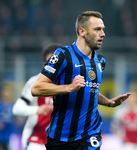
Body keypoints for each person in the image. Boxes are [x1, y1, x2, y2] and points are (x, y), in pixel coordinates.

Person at [31, 11, 131, 150]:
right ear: (82, 31)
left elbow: (90, 89)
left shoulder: (100, 61)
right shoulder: (62, 55)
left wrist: (108, 103)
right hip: (60, 136)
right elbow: (36, 88)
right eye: (97, 29)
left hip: (90, 134)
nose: (103, 34)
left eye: (103, 29)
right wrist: (68, 87)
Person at [12, 43, 63, 150]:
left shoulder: (70, 84)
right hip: (36, 142)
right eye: (49, 62)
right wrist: (38, 109)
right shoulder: (35, 82)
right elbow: (17, 109)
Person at [0, 82, 20, 150]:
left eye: (8, 91)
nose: (7, 93)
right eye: (5, 91)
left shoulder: (13, 106)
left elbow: (17, 120)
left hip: (10, 134)